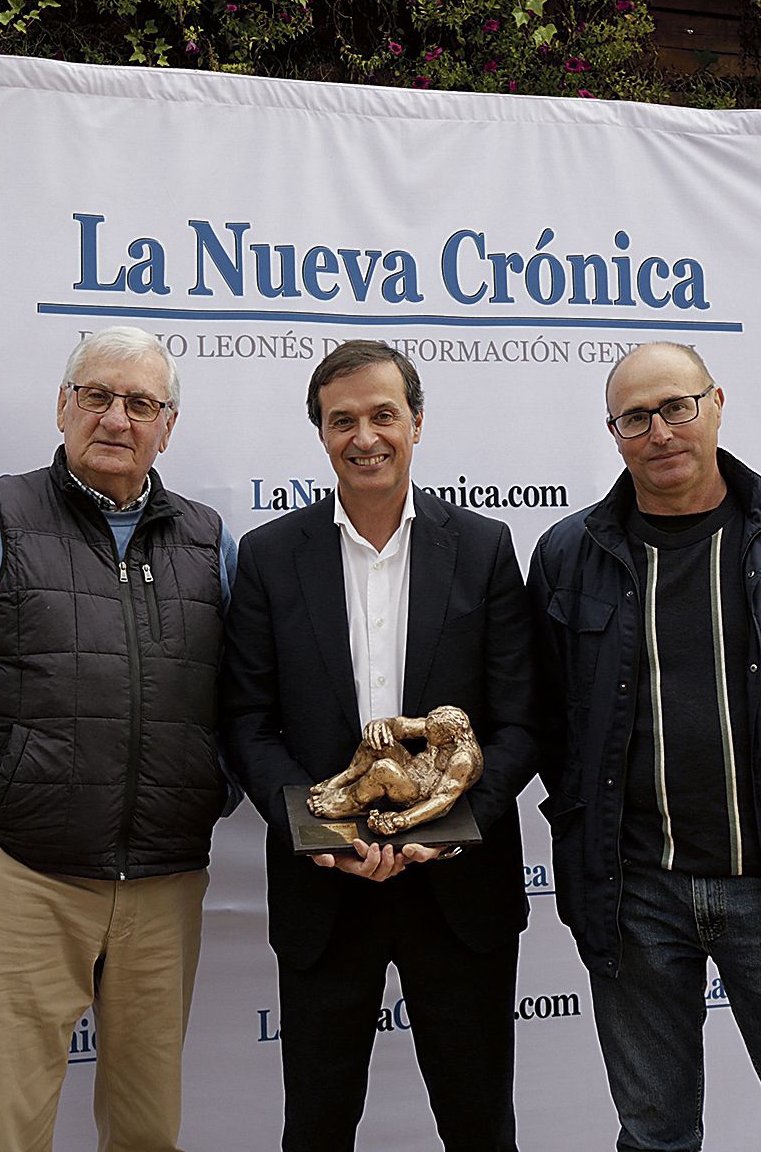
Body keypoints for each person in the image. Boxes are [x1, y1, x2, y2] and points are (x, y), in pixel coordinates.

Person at [0, 326, 236, 1152]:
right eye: (97, 395)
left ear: (168, 426)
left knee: (148, 1134)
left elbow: (247, 701)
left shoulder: (209, 542)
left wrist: (212, 782)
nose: (116, 418)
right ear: (62, 405)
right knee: (10, 1134)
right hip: (27, 877)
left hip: (165, 886)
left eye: (141, 403)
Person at [527, 342, 761, 1152]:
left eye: (676, 407)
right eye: (635, 417)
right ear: (614, 433)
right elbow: (549, 718)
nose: (660, 431)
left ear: (716, 403)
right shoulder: (568, 557)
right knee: (654, 1133)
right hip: (634, 892)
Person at [221, 340, 537, 1152]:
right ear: (321, 433)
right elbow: (248, 721)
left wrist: (447, 827)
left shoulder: (483, 548)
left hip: (459, 893)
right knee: (317, 1129)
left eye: (383, 415)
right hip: (325, 893)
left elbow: (521, 721)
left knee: (481, 1128)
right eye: (343, 420)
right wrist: (322, 834)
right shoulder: (269, 557)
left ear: (417, 422)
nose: (365, 437)